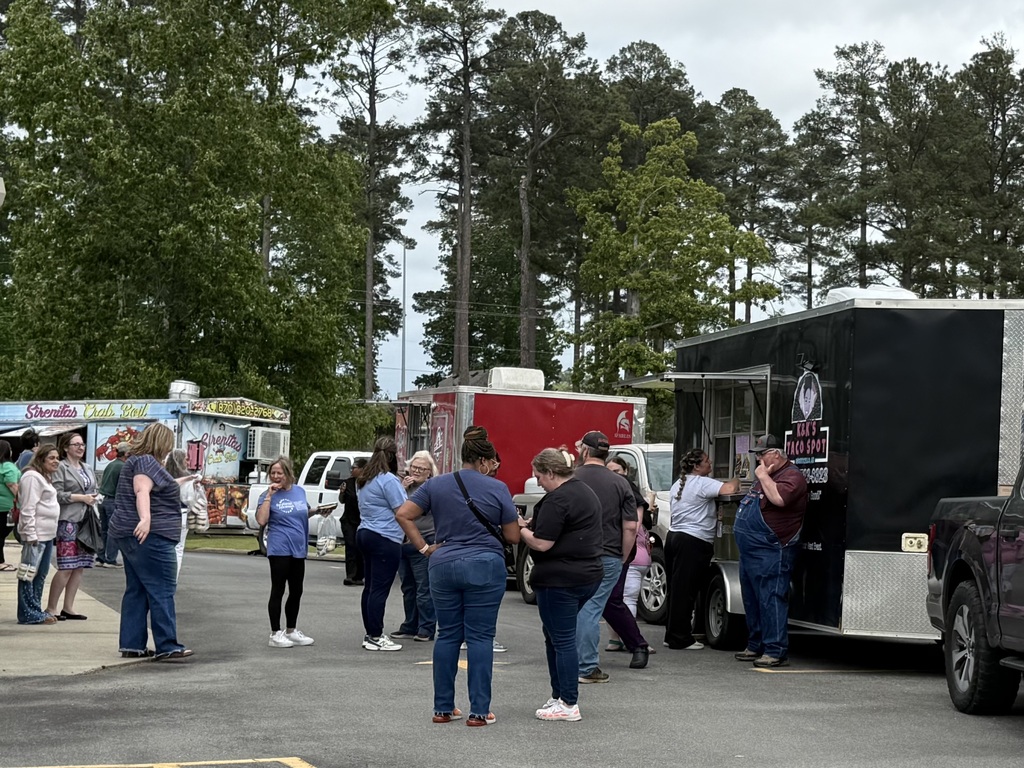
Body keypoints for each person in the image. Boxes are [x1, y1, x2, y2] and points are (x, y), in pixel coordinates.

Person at [396, 426, 519, 727]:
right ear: (483, 461)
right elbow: (513, 536)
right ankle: (479, 711)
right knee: (480, 637)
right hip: (484, 564)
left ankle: (443, 708)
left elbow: (403, 514)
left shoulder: (436, 485)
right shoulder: (498, 488)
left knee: (448, 634)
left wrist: (425, 548)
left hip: (443, 562)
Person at [519, 448, 603, 722]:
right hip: (588, 574)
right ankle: (559, 696)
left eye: (540, 476)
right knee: (555, 635)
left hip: (560, 578)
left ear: (552, 473)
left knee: (562, 640)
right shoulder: (584, 491)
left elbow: (543, 543)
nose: (538, 481)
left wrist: (521, 529)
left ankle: (568, 702)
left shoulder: (558, 499)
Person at [110, 423, 193, 661]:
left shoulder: (138, 461)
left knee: (136, 589)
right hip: (151, 535)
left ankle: (132, 644)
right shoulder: (147, 462)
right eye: (169, 442)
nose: (170, 447)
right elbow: (142, 490)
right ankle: (167, 644)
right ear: (162, 442)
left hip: (127, 533)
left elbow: (155, 486)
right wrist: (146, 519)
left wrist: (184, 480)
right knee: (162, 588)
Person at [573, 431, 646, 682]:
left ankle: (578, 662)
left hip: (573, 555)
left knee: (578, 608)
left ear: (585, 451)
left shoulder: (571, 478)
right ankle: (586, 666)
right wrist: (623, 556)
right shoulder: (621, 483)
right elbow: (630, 526)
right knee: (592, 608)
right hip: (608, 554)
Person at [734, 434, 808, 668]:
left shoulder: (792, 476)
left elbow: (778, 499)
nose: (758, 459)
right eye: (757, 454)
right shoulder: (766, 475)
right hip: (750, 551)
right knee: (752, 599)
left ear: (776, 453)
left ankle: (775, 650)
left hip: (772, 550)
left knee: (771, 598)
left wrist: (763, 475)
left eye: (762, 454)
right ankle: (755, 644)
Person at [663, 449, 739, 650]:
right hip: (693, 540)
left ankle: (671, 633)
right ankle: (680, 638)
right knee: (686, 591)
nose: (710, 462)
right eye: (706, 460)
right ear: (697, 466)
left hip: (674, 537)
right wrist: (738, 476)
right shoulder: (702, 483)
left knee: (676, 589)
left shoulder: (678, 484)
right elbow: (730, 489)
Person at [256, 456, 324, 648]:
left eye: (280, 473)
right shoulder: (267, 495)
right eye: (273, 473)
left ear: (288, 474)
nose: (276, 477)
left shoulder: (299, 492)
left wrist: (318, 510)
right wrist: (269, 496)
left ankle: (291, 630)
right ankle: (275, 633)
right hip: (279, 548)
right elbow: (261, 520)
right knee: (278, 589)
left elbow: (303, 511)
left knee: (296, 590)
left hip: (298, 548)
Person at [356, 436, 406, 651]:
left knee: (369, 587)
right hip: (385, 537)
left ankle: (370, 634)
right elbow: (403, 510)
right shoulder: (389, 480)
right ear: (394, 456)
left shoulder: (365, 478)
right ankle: (376, 635)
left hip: (365, 532)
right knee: (380, 589)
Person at [45, 432, 98, 621]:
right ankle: (52, 608)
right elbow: (57, 494)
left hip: (87, 520)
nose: (80, 447)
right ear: (66, 448)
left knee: (80, 566)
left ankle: (69, 607)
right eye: (75, 444)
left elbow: (94, 489)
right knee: (66, 565)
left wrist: (93, 497)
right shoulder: (62, 467)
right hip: (68, 520)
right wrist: (80, 497)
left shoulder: (88, 468)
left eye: (82, 444)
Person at [604, 456, 654, 652]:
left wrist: (625, 554)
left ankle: (627, 639)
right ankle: (616, 639)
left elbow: (634, 525)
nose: (612, 475)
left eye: (616, 471)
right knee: (617, 599)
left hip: (631, 553)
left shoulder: (627, 491)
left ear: (625, 471)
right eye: (609, 471)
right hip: (627, 552)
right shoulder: (624, 491)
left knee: (624, 599)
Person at [392, 451, 439, 642]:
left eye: (422, 468)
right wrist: (402, 489)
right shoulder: (403, 487)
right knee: (408, 587)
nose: (417, 471)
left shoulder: (432, 489)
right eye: (414, 467)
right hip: (403, 542)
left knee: (424, 588)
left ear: (430, 472)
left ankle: (426, 627)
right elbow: (397, 511)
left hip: (424, 540)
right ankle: (410, 624)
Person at [15, 444, 61, 625]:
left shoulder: (44, 477)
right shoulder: (32, 477)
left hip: (47, 535)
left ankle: (35, 609)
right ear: (41, 458)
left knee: (40, 573)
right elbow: (28, 507)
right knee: (28, 573)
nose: (56, 461)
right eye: (51, 458)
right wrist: (30, 533)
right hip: (36, 536)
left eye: (58, 458)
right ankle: (27, 613)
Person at [165, 449, 204, 580]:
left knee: (166, 547)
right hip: (181, 513)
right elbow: (189, 499)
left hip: (165, 514)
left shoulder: (164, 475)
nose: (188, 462)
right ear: (180, 460)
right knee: (179, 548)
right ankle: (173, 578)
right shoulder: (188, 477)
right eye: (186, 459)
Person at [96, 442, 129, 568]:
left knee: (104, 530)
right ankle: (110, 559)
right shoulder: (123, 467)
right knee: (113, 531)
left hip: (103, 499)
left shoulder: (111, 465)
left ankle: (100, 557)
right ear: (126, 454)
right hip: (113, 500)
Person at [340, 457, 367, 586]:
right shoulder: (348, 482)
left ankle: (360, 576)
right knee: (350, 546)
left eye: (354, 468)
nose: (352, 470)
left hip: (362, 520)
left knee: (360, 547)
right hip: (349, 520)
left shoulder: (368, 483)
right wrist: (342, 492)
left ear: (362, 469)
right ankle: (350, 575)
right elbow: (342, 500)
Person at [0, 440, 20, 571]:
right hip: (7, 507)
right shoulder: (8, 466)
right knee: (1, 534)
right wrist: (23, 499)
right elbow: (12, 484)